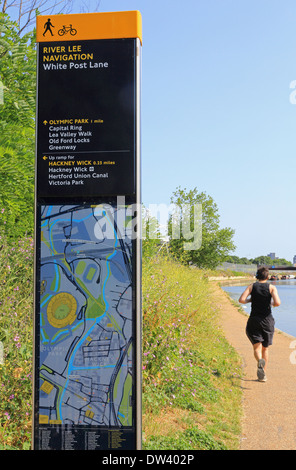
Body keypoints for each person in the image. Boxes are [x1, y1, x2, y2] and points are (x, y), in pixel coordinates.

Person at [239, 267, 281, 382]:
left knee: (256, 346)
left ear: (257, 276)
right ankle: (263, 374)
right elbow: (277, 303)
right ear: (267, 277)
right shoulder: (272, 287)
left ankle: (259, 362)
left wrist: (250, 300)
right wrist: (270, 303)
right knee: (265, 349)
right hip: (267, 320)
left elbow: (241, 300)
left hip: (254, 320)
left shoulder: (251, 286)